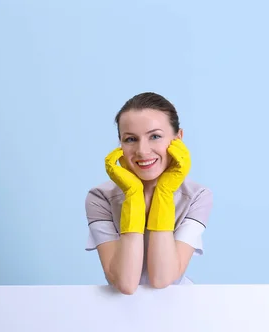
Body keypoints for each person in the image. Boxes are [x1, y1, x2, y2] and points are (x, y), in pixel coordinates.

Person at [84, 92, 213, 295]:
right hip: (118, 311)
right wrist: (133, 196)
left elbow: (162, 279)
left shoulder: (197, 196)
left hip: (178, 307)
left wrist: (163, 193)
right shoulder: (100, 198)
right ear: (120, 144)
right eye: (130, 139)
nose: (142, 151)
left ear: (178, 138)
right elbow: (125, 283)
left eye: (155, 136)